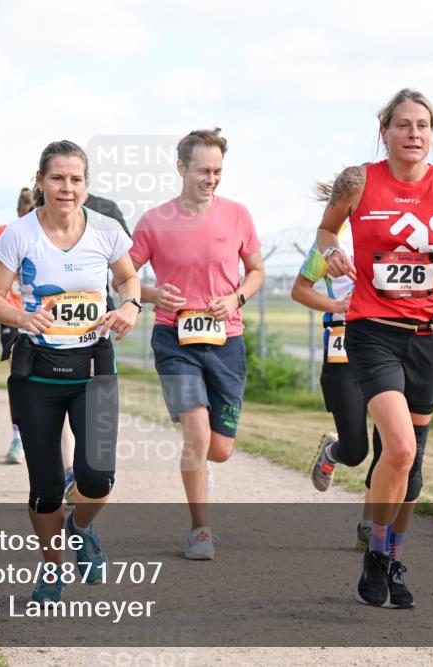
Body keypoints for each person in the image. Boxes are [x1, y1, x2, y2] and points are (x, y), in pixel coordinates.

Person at [318, 88, 433, 609]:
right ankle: (373, 550)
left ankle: (390, 554)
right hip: (373, 332)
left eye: (423, 126)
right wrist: (332, 254)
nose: (414, 134)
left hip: (431, 335)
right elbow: (325, 231)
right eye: (403, 125)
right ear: (384, 131)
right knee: (400, 447)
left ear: (432, 134)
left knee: (413, 468)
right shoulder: (358, 181)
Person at [0, 140, 140, 604]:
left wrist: (130, 304)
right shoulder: (19, 234)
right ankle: (51, 569)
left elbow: (128, 279)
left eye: (75, 180)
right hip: (37, 373)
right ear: (40, 181)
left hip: (94, 366)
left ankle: (81, 527)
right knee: (47, 486)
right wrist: (21, 318)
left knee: (98, 479)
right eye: (57, 178)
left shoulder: (107, 230)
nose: (66, 188)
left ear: (86, 185)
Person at [130, 128, 264, 560]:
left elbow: (256, 271)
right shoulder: (154, 221)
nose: (211, 178)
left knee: (219, 449)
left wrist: (237, 297)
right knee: (196, 430)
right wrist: (152, 295)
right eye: (204, 170)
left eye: (218, 171)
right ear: (182, 167)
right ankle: (200, 530)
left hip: (227, 340)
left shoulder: (238, 215)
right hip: (174, 337)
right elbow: (124, 278)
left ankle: (204, 472)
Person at [293, 210, 379, 550]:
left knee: (388, 445)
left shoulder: (390, 230)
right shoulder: (330, 245)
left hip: (388, 348)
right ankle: (334, 450)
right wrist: (337, 305)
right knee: (357, 451)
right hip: (343, 354)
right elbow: (300, 291)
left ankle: (370, 524)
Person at [0, 187, 35, 464]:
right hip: (12, 313)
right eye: (27, 210)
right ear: (20, 212)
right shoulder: (6, 232)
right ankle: (18, 437)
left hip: (44, 316)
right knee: (19, 376)